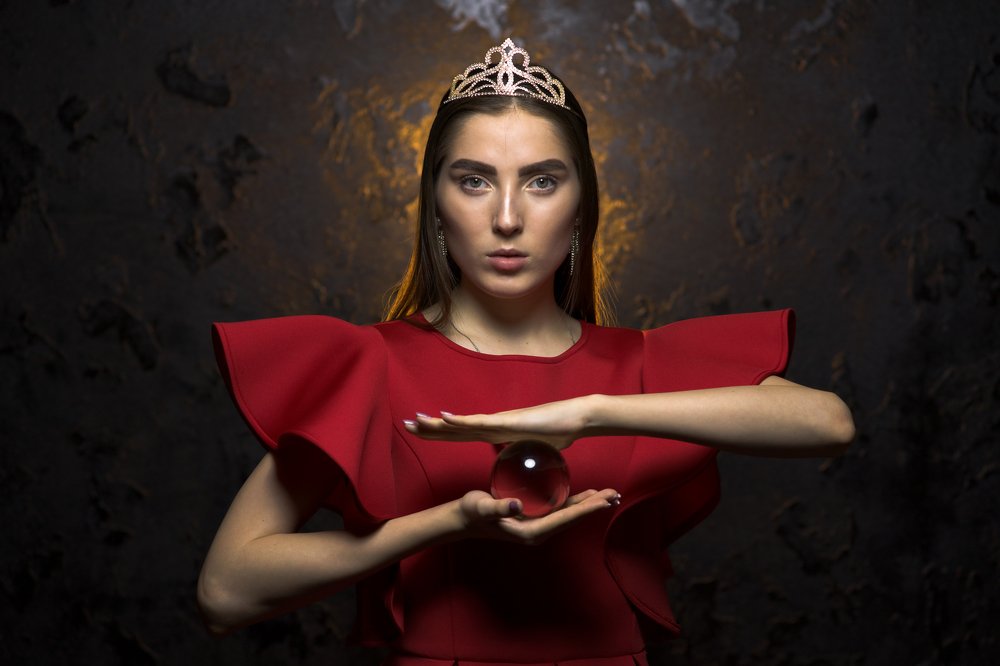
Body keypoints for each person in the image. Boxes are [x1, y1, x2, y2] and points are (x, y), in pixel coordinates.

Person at [197, 39, 855, 665]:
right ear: (434, 205)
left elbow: (829, 423)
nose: (507, 218)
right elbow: (225, 593)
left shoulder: (638, 365)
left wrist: (592, 412)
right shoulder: (371, 365)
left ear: (581, 206)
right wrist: (444, 524)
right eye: (474, 181)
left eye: (541, 181)